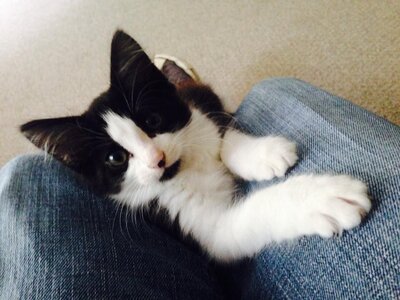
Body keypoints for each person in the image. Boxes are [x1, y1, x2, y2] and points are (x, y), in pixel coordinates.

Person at [1, 77, 399, 299]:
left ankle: (173, 83)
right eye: (117, 158)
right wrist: (294, 201)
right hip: (219, 248)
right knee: (269, 95)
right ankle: (179, 82)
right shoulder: (152, 205)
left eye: (152, 125)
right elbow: (223, 237)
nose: (153, 157)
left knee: (23, 176)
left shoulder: (186, 130)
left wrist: (233, 146)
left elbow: (202, 119)